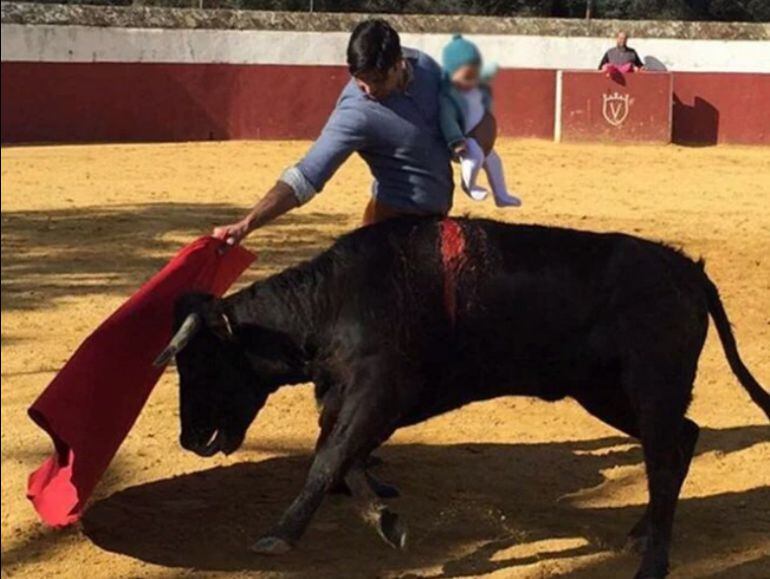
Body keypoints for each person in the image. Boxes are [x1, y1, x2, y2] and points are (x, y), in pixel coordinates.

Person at [213, 19, 453, 245]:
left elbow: (458, 117)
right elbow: (306, 176)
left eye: (377, 80)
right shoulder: (357, 113)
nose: (368, 90)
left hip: (437, 224)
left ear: (398, 64)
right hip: (390, 233)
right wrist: (247, 224)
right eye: (361, 80)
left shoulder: (425, 67)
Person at [439, 34, 521, 208]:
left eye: (474, 75)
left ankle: (501, 195)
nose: (472, 80)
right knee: (475, 155)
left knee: (493, 161)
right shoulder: (448, 98)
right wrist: (456, 141)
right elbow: (447, 121)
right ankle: (469, 186)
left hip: (480, 140)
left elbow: (485, 74)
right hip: (462, 142)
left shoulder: (475, 88)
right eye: (467, 76)